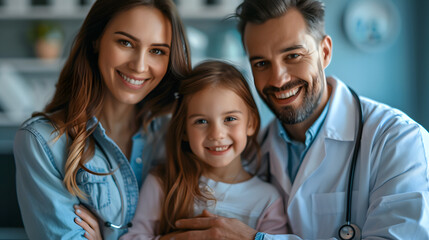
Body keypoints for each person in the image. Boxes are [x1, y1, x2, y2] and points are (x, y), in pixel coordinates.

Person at [166, 0, 429, 239]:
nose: (278, 79)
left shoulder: (400, 141)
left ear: (324, 52)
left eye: (293, 56)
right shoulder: (252, 152)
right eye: (261, 63)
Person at [13, 0, 191, 239]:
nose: (139, 66)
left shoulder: (176, 135)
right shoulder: (43, 141)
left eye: (157, 51)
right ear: (96, 40)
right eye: (125, 43)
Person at [119, 60, 288, 239]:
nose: (216, 134)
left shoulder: (267, 199)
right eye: (201, 121)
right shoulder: (163, 183)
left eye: (230, 119)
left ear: (251, 123)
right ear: (184, 130)